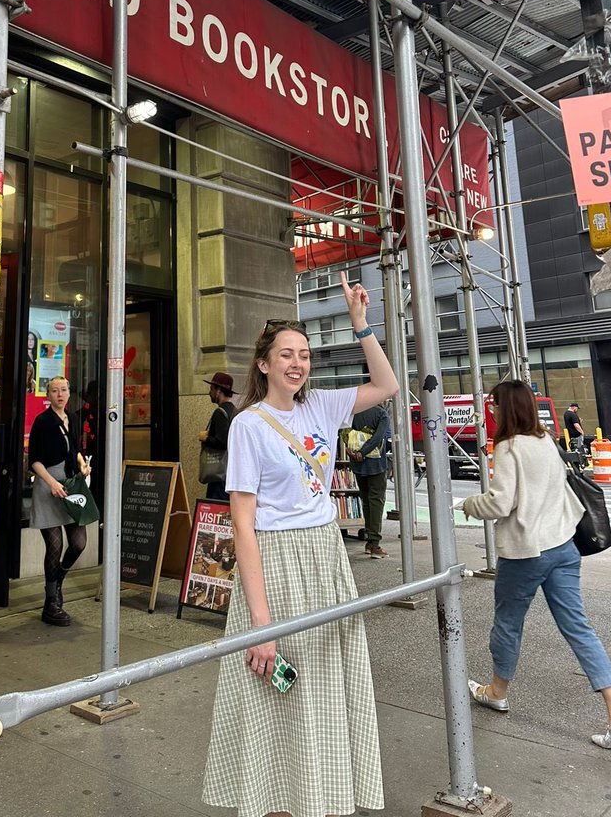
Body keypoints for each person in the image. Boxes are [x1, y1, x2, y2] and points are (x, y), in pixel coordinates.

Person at [203, 275, 399, 817]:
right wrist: (260, 624)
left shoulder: (324, 407)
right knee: (275, 691)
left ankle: (318, 798)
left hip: (326, 558)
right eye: (286, 355)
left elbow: (387, 386)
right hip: (277, 564)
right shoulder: (247, 425)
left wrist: (360, 322)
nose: (298, 364)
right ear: (263, 364)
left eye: (305, 356)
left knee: (322, 692)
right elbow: (243, 525)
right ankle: (276, 805)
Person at [460, 379, 611, 750]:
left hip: (527, 552)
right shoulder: (546, 440)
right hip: (564, 547)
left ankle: (497, 692)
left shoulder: (508, 446)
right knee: (579, 628)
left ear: (508, 409)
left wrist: (470, 504)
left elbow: (501, 504)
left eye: (494, 405)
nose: (492, 410)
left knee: (507, 623)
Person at [27, 375, 91, 627]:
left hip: (70, 485)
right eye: (54, 391)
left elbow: (74, 448)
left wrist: (82, 464)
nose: (60, 394)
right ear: (48, 394)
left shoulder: (72, 418)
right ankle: (51, 602)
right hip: (48, 486)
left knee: (79, 543)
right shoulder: (42, 422)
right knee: (54, 545)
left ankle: (59, 578)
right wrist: (51, 483)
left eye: (64, 389)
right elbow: (33, 460)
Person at [347, 405, 391, 558]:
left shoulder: (354, 412)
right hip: (376, 464)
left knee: (366, 501)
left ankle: (368, 541)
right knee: (377, 501)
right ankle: (375, 544)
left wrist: (354, 452)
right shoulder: (381, 414)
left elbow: (344, 431)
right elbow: (379, 437)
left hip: (358, 465)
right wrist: (363, 452)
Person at [199, 370, 237, 502]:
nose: (210, 392)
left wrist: (205, 438)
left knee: (216, 507)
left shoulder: (219, 413)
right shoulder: (234, 411)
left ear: (219, 391)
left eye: (211, 389)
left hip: (219, 474)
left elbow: (222, 442)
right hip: (231, 472)